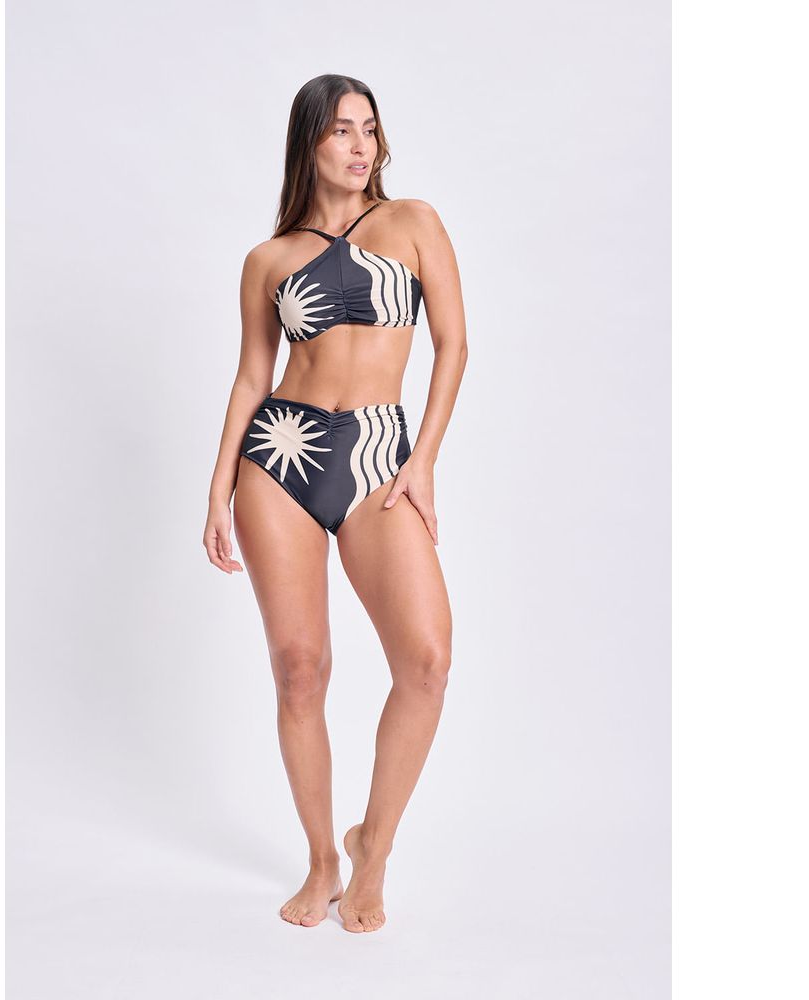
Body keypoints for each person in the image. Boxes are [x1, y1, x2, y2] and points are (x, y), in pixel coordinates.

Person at [203, 74, 467, 933]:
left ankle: (371, 849)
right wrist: (217, 488)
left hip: (382, 458)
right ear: (309, 142)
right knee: (300, 667)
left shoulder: (414, 222)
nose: (360, 146)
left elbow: (454, 345)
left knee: (426, 661)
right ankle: (321, 859)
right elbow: (252, 377)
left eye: (370, 129)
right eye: (342, 130)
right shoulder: (268, 260)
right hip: (280, 456)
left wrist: (423, 461)